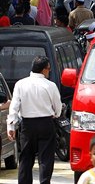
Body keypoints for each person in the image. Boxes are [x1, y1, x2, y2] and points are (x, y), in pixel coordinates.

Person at [7, 56, 63, 184]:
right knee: (46, 159)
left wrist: (11, 126)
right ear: (44, 70)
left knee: (26, 158)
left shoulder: (20, 84)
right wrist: (56, 114)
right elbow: (58, 107)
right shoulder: (50, 85)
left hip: (27, 125)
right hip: (46, 124)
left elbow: (14, 107)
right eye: (48, 69)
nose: (49, 72)